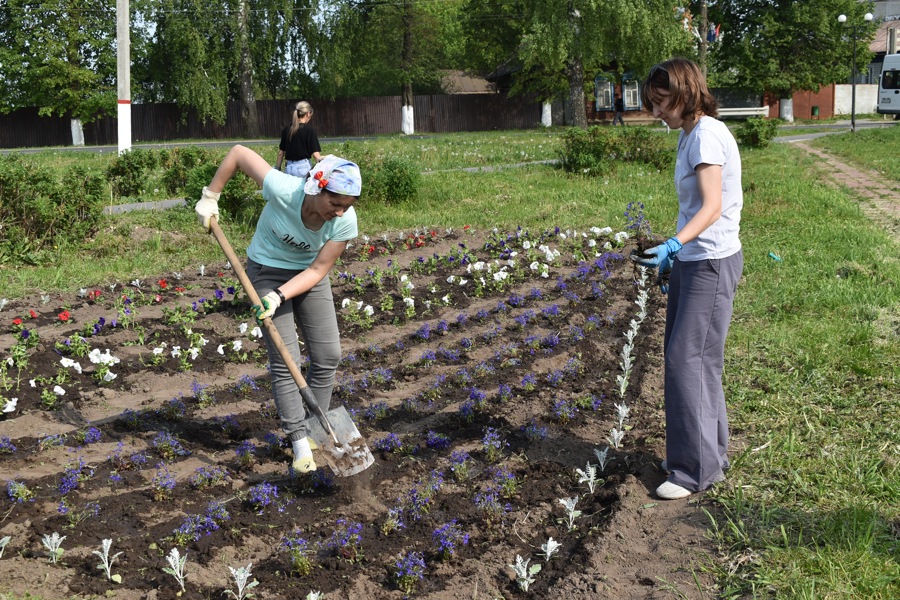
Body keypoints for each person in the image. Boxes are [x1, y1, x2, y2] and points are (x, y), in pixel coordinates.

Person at [196, 147, 361, 473]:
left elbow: (317, 271)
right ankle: (300, 441)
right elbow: (239, 154)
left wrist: (279, 297)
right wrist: (210, 195)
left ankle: (318, 429)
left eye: (347, 206)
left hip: (307, 277)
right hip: (266, 271)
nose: (340, 212)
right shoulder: (284, 189)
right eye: (335, 203)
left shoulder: (344, 223)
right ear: (317, 187)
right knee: (286, 359)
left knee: (328, 354)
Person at [632, 58, 743, 500]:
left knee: (686, 361)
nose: (656, 112)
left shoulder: (707, 136)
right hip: (695, 261)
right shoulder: (691, 134)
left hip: (710, 263)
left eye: (661, 102)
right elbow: (692, 206)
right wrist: (675, 257)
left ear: (685, 92)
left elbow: (712, 205)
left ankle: (693, 471)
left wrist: (674, 245)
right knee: (697, 360)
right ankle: (708, 453)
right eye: (652, 103)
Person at [275, 101, 322, 179]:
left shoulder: (286, 129)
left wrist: (278, 168)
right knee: (303, 191)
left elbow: (281, 153)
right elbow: (316, 155)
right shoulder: (309, 131)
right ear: (308, 113)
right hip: (303, 168)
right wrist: (321, 171)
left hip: (289, 168)